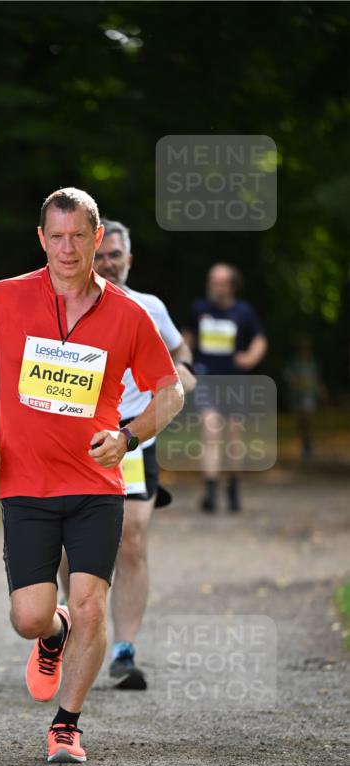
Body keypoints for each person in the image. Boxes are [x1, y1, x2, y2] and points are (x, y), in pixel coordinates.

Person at [0, 187, 183, 765]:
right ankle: (51, 635)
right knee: (30, 616)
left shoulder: (128, 314)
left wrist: (130, 435)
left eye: (78, 236)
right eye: (56, 236)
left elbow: (171, 390)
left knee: (90, 604)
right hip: (26, 485)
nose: (67, 248)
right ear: (41, 239)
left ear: (96, 239)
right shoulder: (6, 298)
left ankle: (67, 723)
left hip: (95, 483)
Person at [62, 219, 196, 690]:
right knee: (67, 544)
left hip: (136, 436)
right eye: (100, 256)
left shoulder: (149, 307)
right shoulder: (67, 306)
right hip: (77, 438)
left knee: (133, 539)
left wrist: (183, 374)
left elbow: (182, 354)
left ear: (128, 259)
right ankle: (75, 630)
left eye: (115, 255)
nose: (108, 264)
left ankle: (124, 650)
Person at [182, 264, 267, 513]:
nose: (215, 286)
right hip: (207, 378)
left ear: (231, 285)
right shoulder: (199, 309)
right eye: (212, 281)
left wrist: (250, 357)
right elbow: (187, 337)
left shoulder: (244, 312)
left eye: (220, 282)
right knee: (210, 429)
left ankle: (233, 484)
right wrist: (184, 361)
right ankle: (209, 489)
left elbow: (260, 338)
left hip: (234, 381)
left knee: (233, 437)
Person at [283, 336, 326, 460]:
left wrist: (321, 389)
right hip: (297, 396)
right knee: (301, 421)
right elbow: (289, 378)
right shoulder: (294, 363)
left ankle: (308, 442)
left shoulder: (312, 363)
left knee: (308, 417)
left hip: (309, 396)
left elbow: (317, 378)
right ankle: (305, 442)